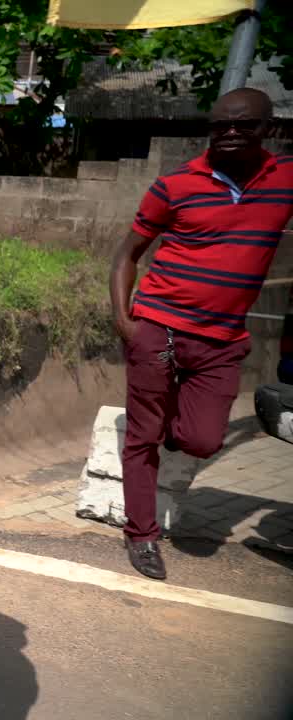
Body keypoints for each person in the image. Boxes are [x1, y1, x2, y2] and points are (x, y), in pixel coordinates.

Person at [110, 87, 293, 581]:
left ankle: (175, 425)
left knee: (204, 440)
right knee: (143, 437)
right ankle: (142, 535)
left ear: (269, 129)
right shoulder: (175, 185)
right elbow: (128, 253)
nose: (230, 132)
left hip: (222, 342)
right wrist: (125, 321)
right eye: (219, 125)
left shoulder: (286, 180)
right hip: (158, 329)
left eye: (245, 124)